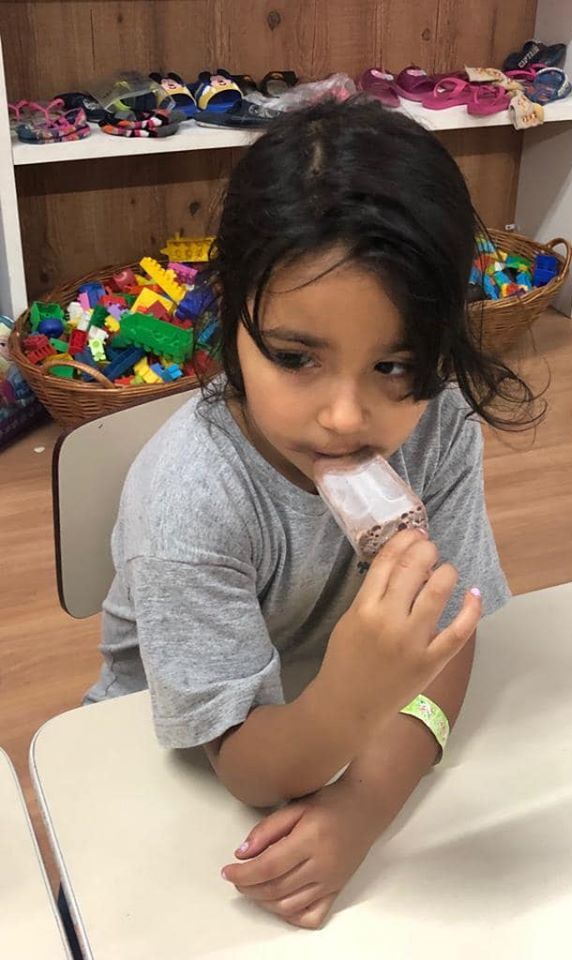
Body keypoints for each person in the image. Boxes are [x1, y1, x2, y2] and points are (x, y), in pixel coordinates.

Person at [84, 96, 539, 929]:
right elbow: (246, 767)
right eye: (297, 358)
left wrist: (363, 805)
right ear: (231, 320)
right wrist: (349, 702)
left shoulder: (439, 427)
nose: (344, 416)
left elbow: (449, 636)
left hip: (344, 716)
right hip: (176, 756)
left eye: (394, 365)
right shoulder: (191, 498)